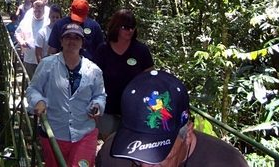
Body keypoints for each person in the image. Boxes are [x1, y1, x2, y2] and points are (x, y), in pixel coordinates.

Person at [96, 70, 249, 167]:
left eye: (158, 155)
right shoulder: (113, 154)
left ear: (187, 135)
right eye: (136, 154)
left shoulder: (226, 162)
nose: (145, 166)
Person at [27, 23, 106, 167]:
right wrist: (38, 101)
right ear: (61, 41)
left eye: (77, 38)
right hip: (54, 133)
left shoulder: (94, 70)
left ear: (82, 43)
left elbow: (100, 95)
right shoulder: (47, 64)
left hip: (84, 133)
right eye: (68, 37)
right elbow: (33, 89)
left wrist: (97, 105)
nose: (72, 41)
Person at [93, 9, 154, 139]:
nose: (130, 31)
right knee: (110, 144)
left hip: (133, 109)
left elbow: (149, 77)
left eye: (132, 27)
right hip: (108, 108)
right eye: (125, 27)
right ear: (116, 27)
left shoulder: (141, 50)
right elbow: (94, 78)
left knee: (129, 143)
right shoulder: (103, 49)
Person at [15, 0, 50, 78]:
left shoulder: (50, 16)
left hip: (45, 60)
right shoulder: (28, 15)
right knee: (30, 83)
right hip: (29, 59)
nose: (37, 13)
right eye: (35, 11)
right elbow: (17, 33)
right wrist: (22, 42)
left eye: (40, 11)